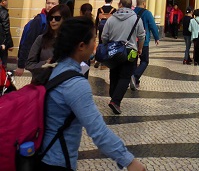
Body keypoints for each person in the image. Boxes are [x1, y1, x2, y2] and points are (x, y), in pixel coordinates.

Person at [38, 16, 146, 170]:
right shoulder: (76, 85)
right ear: (81, 45)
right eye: (94, 40)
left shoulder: (54, 67)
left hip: (42, 153)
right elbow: (97, 130)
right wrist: (128, 160)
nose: (96, 45)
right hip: (58, 161)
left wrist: (89, 59)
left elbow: (76, 69)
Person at [101, 0, 145, 115]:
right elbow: (141, 36)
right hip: (130, 51)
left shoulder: (111, 19)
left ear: (120, 5)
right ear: (131, 6)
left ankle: (113, 95)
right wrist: (140, 48)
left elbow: (104, 36)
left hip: (114, 50)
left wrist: (107, 45)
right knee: (125, 76)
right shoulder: (136, 18)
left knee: (114, 72)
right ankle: (115, 101)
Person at [15, 0, 59, 76]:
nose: (50, 5)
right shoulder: (39, 20)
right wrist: (21, 65)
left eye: (53, 4)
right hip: (40, 65)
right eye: (48, 3)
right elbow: (28, 42)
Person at [26, 4, 72, 73]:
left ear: (65, 19)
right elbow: (29, 64)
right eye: (50, 18)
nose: (53, 21)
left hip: (65, 81)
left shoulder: (74, 41)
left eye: (57, 18)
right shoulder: (41, 39)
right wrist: (45, 63)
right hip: (43, 81)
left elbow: (84, 65)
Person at [131, 0, 160, 91]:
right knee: (144, 61)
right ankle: (135, 76)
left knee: (134, 60)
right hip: (143, 41)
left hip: (132, 40)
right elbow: (152, 26)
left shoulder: (132, 12)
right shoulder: (147, 13)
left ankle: (135, 80)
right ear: (144, 3)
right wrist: (156, 37)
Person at [0, 0, 12, 68]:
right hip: (2, 42)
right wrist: (10, 44)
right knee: (3, 65)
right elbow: (6, 28)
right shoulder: (3, 12)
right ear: (3, 1)